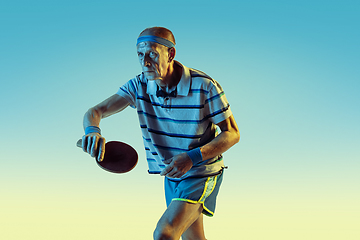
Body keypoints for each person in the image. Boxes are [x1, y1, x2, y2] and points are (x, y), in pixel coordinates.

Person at [81, 26, 240, 240]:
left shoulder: (205, 86)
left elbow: (232, 133)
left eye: (152, 54)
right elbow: (95, 112)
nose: (145, 62)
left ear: (171, 54)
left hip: (202, 171)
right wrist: (92, 131)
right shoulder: (139, 85)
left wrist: (192, 158)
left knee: (164, 234)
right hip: (172, 174)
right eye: (140, 55)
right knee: (193, 238)